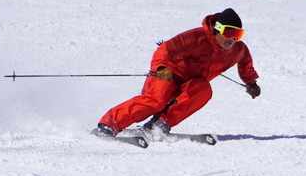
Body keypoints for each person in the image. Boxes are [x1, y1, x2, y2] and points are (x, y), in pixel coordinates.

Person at [95, 8, 261, 138]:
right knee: (156, 101)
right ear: (218, 29)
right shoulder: (196, 37)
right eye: (229, 33)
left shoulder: (238, 50)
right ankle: (109, 124)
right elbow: (165, 49)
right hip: (168, 74)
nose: (232, 40)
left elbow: (245, 64)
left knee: (204, 89)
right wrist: (160, 68)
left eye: (237, 35)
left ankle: (160, 124)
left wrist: (251, 83)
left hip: (188, 84)